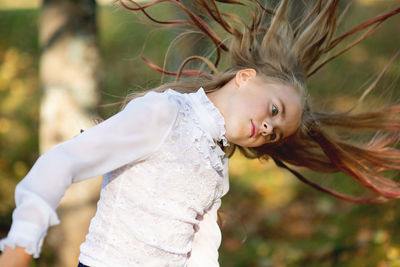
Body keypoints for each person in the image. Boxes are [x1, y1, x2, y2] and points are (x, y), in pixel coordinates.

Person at [0, 0, 399, 266]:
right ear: (245, 77)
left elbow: (202, 248)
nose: (268, 128)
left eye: (275, 134)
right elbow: (64, 160)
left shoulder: (215, 165)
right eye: (274, 110)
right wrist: (23, 240)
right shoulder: (164, 114)